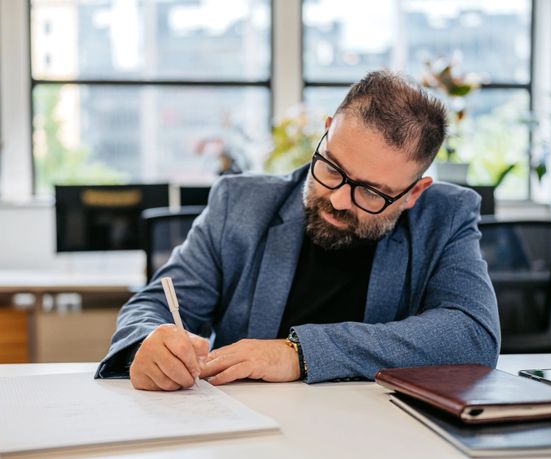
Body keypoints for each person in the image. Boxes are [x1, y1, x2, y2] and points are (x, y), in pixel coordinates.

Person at [95, 70, 500, 391]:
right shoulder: (240, 204)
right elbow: (150, 307)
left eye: (372, 193)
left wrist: (300, 354)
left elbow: (473, 334)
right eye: (332, 168)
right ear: (326, 131)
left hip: (382, 443)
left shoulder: (445, 216)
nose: (339, 200)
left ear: (413, 192)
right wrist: (149, 342)